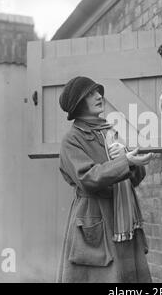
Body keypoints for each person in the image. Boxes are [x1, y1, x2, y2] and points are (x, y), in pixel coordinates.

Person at [57, 76, 153, 283]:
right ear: (78, 102)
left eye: (98, 92)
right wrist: (124, 161)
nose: (99, 96)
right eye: (90, 93)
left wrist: (129, 160)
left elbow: (134, 179)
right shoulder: (71, 140)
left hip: (123, 218)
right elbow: (88, 179)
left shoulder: (109, 132)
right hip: (94, 218)